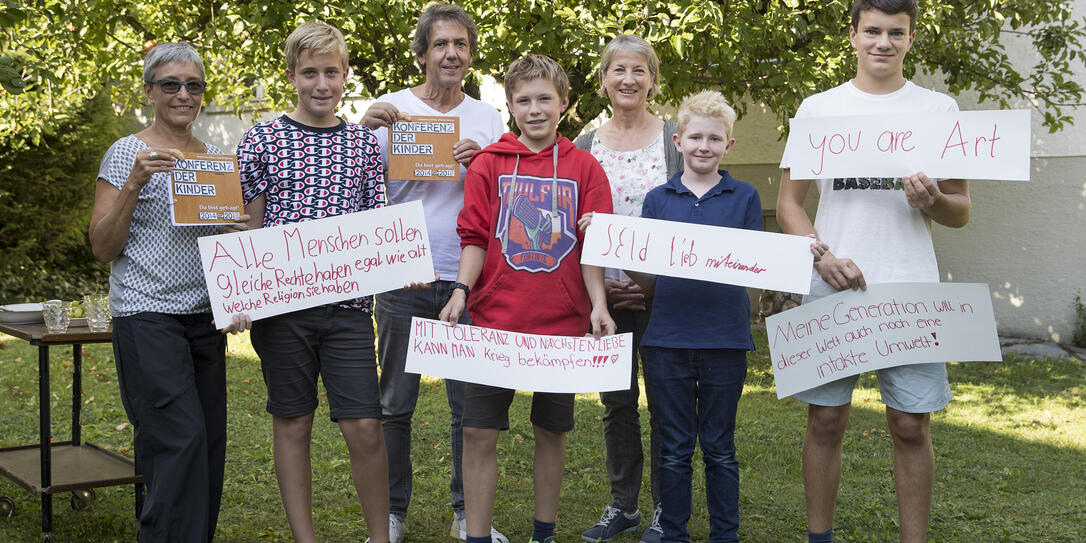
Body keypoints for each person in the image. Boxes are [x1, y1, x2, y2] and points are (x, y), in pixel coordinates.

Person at [775, 2, 971, 542]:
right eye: (873, 31)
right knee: (825, 419)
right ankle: (820, 537)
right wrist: (821, 254)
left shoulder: (939, 110)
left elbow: (960, 210)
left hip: (909, 285)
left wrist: (932, 201)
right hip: (832, 280)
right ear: (854, 35)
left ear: (911, 38)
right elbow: (790, 203)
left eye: (896, 33)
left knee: (910, 424)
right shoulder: (818, 110)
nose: (883, 42)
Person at [439, 54, 616, 543]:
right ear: (511, 106)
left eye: (544, 99)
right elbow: (473, 236)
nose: (534, 109)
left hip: (560, 324)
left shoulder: (585, 168)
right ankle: (476, 535)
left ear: (563, 102)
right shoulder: (489, 165)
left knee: (550, 432)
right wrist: (461, 292)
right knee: (477, 431)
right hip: (496, 323)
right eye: (523, 100)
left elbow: (593, 247)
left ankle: (544, 532)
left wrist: (598, 305)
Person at [235, 22, 390, 543]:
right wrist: (240, 292)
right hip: (282, 313)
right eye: (310, 73)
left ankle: (379, 536)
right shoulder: (262, 139)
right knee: (293, 422)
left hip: (347, 312)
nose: (321, 84)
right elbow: (250, 227)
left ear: (345, 74)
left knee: (364, 426)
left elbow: (375, 230)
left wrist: (400, 263)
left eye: (331, 72)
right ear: (291, 76)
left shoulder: (364, 146)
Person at [360, 4, 506, 542]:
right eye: (441, 44)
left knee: (467, 404)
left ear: (470, 55)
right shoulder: (390, 110)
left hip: (470, 277)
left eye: (461, 45)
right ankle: (393, 512)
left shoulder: (487, 117)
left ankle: (466, 512)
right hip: (404, 277)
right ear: (422, 53)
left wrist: (484, 161)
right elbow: (358, 185)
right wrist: (361, 130)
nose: (452, 53)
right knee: (396, 400)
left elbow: (504, 197)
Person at [90, 41, 241, 542]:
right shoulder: (126, 154)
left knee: (209, 442)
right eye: (171, 84)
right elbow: (102, 247)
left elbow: (227, 245)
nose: (183, 94)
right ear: (150, 91)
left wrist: (240, 235)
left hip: (204, 317)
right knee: (178, 437)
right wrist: (134, 182)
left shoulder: (215, 161)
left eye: (193, 85)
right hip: (146, 314)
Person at [572, 34, 681, 543]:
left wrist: (654, 285)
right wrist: (604, 293)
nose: (629, 80)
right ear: (603, 80)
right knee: (616, 403)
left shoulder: (675, 140)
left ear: (653, 79)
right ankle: (624, 506)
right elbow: (573, 225)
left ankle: (665, 511)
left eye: (640, 70)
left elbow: (690, 221)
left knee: (664, 404)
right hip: (605, 302)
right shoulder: (584, 145)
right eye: (619, 70)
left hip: (665, 298)